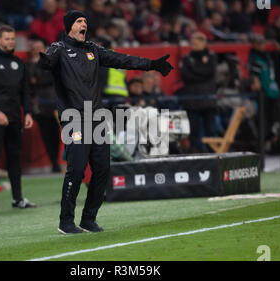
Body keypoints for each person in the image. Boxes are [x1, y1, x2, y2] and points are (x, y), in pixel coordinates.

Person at [38, 10, 173, 234]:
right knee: (77, 170)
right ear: (69, 26)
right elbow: (46, 62)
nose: (84, 24)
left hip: (97, 117)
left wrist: (152, 65)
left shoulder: (94, 50)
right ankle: (66, 221)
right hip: (74, 118)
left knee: (103, 168)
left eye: (85, 21)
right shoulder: (59, 48)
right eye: (79, 21)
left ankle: (89, 218)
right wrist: (44, 62)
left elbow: (123, 59)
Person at [0, 25, 35, 211]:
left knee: (14, 156)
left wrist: (27, 112)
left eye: (12, 38)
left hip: (14, 116)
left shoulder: (19, 63)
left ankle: (17, 198)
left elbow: (26, 91)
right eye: (7, 38)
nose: (11, 41)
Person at [175, 32, 219, 153]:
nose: (193, 45)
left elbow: (209, 73)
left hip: (207, 99)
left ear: (204, 43)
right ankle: (196, 154)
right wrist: (200, 73)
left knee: (211, 129)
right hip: (191, 100)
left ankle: (213, 153)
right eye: (192, 43)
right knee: (193, 130)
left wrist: (194, 70)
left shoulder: (211, 56)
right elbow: (185, 76)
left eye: (196, 43)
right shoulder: (187, 58)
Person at [26, 39, 61, 173]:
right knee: (46, 134)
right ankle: (53, 161)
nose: (37, 50)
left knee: (56, 134)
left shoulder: (52, 62)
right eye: (35, 48)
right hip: (40, 105)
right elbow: (30, 82)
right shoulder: (28, 66)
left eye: (40, 47)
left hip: (54, 103)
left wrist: (38, 78)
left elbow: (46, 79)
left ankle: (57, 160)